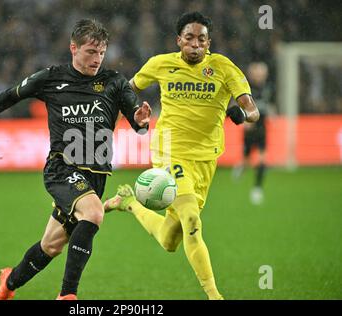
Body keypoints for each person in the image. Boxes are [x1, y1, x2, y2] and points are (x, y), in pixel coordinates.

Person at [0, 19, 151, 300]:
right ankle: (67, 295)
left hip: (96, 174)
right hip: (62, 168)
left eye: (101, 53)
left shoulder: (114, 82)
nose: (96, 59)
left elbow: (136, 118)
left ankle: (8, 284)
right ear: (73, 48)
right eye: (90, 52)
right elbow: (11, 95)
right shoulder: (51, 78)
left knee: (51, 245)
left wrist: (141, 120)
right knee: (94, 213)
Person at [104, 12, 259, 300]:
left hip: (204, 160)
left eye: (201, 39)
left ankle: (129, 203)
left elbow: (250, 106)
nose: (195, 45)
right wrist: (125, 116)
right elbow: (126, 90)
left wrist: (245, 113)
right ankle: (215, 296)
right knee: (192, 220)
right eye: (189, 38)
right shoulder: (161, 64)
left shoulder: (223, 68)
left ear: (209, 43)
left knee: (169, 239)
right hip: (168, 150)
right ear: (179, 41)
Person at [232, 62, 271, 205]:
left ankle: (257, 189)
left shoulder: (268, 88)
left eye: (262, 74)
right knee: (247, 158)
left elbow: (267, 105)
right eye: (257, 74)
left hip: (262, 129)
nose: (260, 76)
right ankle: (241, 167)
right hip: (250, 130)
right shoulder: (247, 89)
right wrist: (245, 121)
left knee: (262, 160)